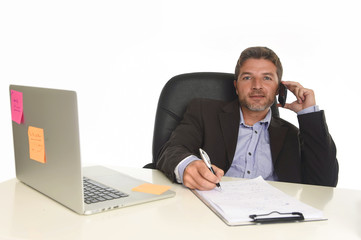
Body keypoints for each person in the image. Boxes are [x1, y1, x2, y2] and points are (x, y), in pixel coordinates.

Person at [156, 46, 339, 190]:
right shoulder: (203, 111)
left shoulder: (292, 135)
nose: (257, 86)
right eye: (247, 78)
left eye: (267, 78)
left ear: (279, 89)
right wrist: (188, 165)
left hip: (273, 221)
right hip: (210, 214)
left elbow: (324, 182)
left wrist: (309, 115)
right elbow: (172, 149)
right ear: (236, 86)